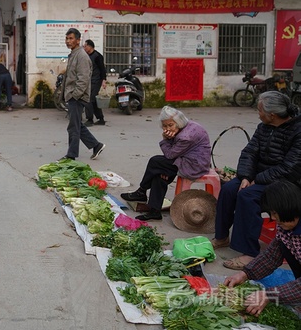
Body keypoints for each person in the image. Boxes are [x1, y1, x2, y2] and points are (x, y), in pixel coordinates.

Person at [213, 91, 301, 270]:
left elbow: (289, 168)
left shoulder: (298, 131)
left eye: (260, 110)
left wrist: (257, 180)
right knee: (229, 189)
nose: (258, 113)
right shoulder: (264, 127)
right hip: (258, 177)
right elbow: (249, 152)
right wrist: (246, 176)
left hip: (287, 182)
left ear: (272, 115)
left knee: (247, 197)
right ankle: (222, 237)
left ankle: (249, 253)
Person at [224, 180, 301, 316]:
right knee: (284, 247)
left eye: (274, 213)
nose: (272, 217)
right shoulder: (285, 227)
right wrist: (245, 274)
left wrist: (269, 295)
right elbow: (272, 256)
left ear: (289, 208)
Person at [121, 106, 211, 221]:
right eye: (164, 126)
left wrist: (165, 139)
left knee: (155, 161)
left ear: (178, 123)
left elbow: (170, 155)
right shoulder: (185, 126)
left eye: (170, 125)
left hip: (193, 165)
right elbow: (174, 152)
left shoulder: (185, 136)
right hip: (185, 158)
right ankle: (154, 211)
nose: (167, 128)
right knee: (159, 173)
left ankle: (141, 191)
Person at [61, 28, 105, 161]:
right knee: (77, 124)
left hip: (77, 96)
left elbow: (83, 79)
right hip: (72, 95)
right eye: (67, 38)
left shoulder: (82, 56)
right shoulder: (74, 54)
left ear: (78, 40)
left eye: (71, 38)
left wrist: (75, 95)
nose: (68, 41)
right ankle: (96, 145)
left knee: (73, 127)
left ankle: (71, 155)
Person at [83, 39, 107, 126]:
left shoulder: (97, 56)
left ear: (90, 46)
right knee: (93, 101)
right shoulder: (86, 56)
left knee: (89, 99)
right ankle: (101, 119)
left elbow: (102, 69)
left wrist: (104, 81)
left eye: (85, 46)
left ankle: (89, 119)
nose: (84, 48)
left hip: (96, 81)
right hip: (88, 81)